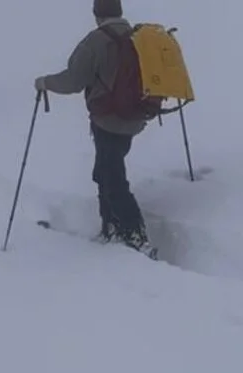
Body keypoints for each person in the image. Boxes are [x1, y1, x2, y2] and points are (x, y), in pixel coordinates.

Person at [33, 0, 155, 257]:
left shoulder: (95, 42)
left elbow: (73, 81)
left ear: (97, 14)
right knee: (105, 170)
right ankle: (111, 228)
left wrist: (44, 83)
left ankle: (136, 236)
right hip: (135, 117)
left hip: (108, 120)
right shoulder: (140, 38)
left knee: (112, 177)